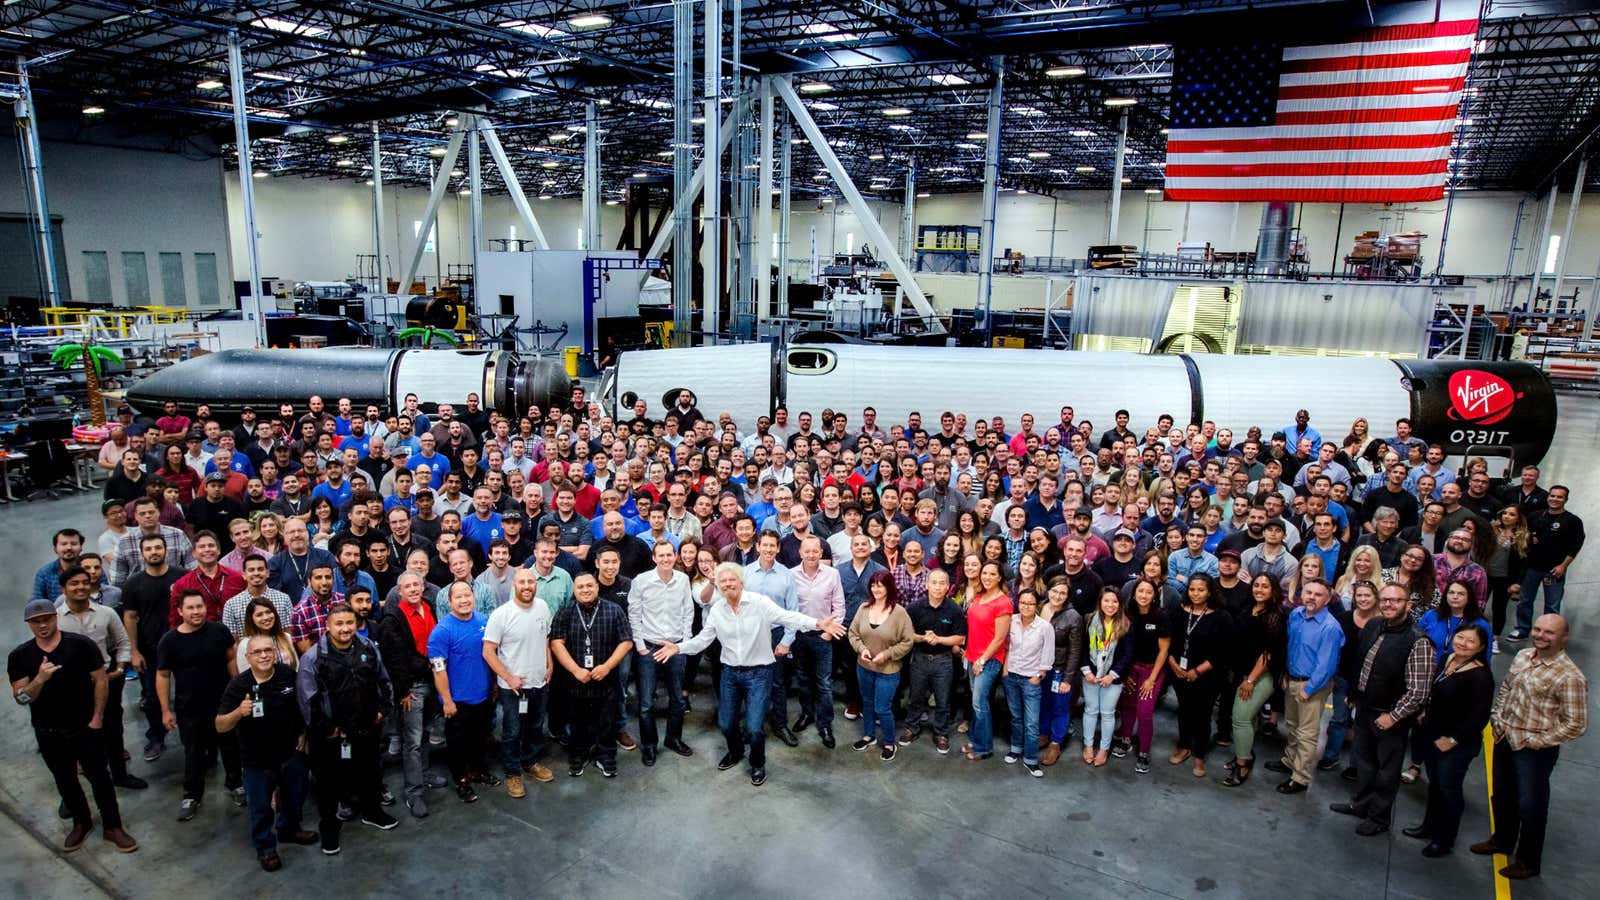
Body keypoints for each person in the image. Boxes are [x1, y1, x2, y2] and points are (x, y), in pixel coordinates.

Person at [650, 563, 846, 787]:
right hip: (730, 674)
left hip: (760, 673)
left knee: (754, 728)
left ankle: (757, 763)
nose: (727, 584)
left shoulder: (758, 603)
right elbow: (703, 640)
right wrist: (678, 648)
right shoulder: (717, 610)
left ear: (741, 581)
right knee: (726, 723)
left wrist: (818, 623)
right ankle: (735, 752)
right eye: (722, 582)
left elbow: (787, 616)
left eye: (731, 580)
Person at [9, 598, 139, 853]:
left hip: (83, 726)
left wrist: (97, 719)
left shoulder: (80, 645)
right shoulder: (20, 656)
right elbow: (22, 697)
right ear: (29, 625)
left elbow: (100, 681)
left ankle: (113, 826)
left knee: (100, 777)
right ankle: (81, 822)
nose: (43, 625)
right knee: (64, 779)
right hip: (48, 731)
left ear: (55, 618)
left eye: (47, 619)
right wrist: (40, 679)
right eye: (36, 621)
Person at [1473, 614, 1589, 879]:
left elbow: (1576, 724)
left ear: (1563, 637)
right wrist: (1497, 718)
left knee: (1531, 805)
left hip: (1534, 750)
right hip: (1505, 737)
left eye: (1549, 632)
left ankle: (1528, 861)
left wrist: (1536, 741)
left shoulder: (1570, 676)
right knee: (1501, 795)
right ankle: (1501, 840)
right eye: (1537, 629)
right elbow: (1507, 688)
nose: (1540, 635)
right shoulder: (1524, 655)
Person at [1331, 584, 1436, 836]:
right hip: (1365, 708)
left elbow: (1418, 691)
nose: (1389, 605)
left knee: (1386, 771)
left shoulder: (1418, 640)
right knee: (1365, 762)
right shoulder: (1373, 625)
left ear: (1408, 605)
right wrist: (1354, 695)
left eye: (1396, 601)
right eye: (1386, 600)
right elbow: (1361, 663)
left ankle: (1379, 818)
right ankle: (1361, 804)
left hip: (1390, 716)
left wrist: (1394, 716)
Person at [297, 603, 397, 855]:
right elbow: (307, 701)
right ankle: (329, 827)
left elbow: (384, 680)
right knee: (329, 783)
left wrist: (382, 710)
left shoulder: (368, 648)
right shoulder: (313, 658)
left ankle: (372, 812)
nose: (345, 628)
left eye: (349, 623)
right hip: (332, 735)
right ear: (328, 626)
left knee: (370, 772)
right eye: (339, 624)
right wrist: (325, 728)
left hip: (366, 727)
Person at [215, 634, 318, 871]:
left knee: (295, 797)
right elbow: (220, 725)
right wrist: (238, 712)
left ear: (275, 653)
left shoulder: (287, 675)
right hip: (257, 760)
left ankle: (289, 830)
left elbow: (302, 707)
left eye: (268, 651)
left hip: (291, 753)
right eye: (257, 652)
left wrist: (303, 734)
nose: (263, 656)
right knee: (260, 807)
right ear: (248, 657)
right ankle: (265, 848)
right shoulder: (238, 686)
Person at [53, 565, 147, 791]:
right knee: (77, 736)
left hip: (107, 681)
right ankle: (76, 791)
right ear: (63, 588)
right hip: (74, 687)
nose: (81, 587)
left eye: (84, 582)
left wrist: (120, 668)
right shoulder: (55, 619)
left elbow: (123, 642)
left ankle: (120, 775)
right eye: (74, 583)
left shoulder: (106, 613)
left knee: (113, 729)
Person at [1405, 624, 1493, 858]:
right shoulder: (1447, 659)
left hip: (1456, 744)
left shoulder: (1480, 675)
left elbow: (1479, 715)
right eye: (1460, 637)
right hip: (1433, 734)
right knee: (1435, 785)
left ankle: (1444, 839)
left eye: (1470, 641)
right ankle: (1429, 826)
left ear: (1481, 647)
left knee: (1449, 790)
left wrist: (1453, 739)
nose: (1463, 643)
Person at [157, 590, 243, 820]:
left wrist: (237, 691)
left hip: (223, 704)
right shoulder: (170, 641)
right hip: (190, 708)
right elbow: (163, 675)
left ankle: (236, 784)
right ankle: (192, 795)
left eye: (199, 607)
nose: (196, 612)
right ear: (180, 611)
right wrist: (165, 710)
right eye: (190, 608)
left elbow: (230, 659)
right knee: (193, 752)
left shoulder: (219, 631)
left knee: (230, 747)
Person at [372, 572, 444, 818]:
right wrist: (401, 691)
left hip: (433, 682)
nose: (413, 589)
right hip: (411, 687)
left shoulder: (430, 607)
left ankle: (423, 774)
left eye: (416, 584)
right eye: (407, 586)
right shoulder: (392, 619)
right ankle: (414, 792)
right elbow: (396, 659)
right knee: (411, 740)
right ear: (399, 592)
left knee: (425, 732)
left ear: (423, 587)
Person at [550, 573, 634, 778]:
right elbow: (556, 643)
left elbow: (626, 641)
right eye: (580, 587)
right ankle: (578, 755)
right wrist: (575, 669)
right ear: (574, 590)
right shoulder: (566, 611)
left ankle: (605, 756)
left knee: (607, 721)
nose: (585, 590)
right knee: (577, 721)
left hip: (606, 678)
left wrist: (607, 666)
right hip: (576, 679)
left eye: (589, 585)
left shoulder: (613, 610)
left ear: (597, 587)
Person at [484, 568, 556, 796]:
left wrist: (550, 662)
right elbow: (488, 651)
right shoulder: (501, 614)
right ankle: (513, 772)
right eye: (522, 582)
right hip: (513, 687)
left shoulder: (543, 607)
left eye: (530, 582)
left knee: (536, 726)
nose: (527, 586)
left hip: (539, 682)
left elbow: (545, 637)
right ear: (514, 585)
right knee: (513, 730)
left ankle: (530, 761)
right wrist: (508, 677)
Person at [1268, 578, 1343, 794]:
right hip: (1292, 678)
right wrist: (1285, 673)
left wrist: (1308, 689)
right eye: (1308, 592)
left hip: (1312, 686)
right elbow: (1290, 646)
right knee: (1292, 724)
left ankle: (1300, 778)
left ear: (1328, 599)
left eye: (1318, 594)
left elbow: (1326, 665)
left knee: (1307, 733)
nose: (1311, 597)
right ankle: (1289, 760)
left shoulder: (1330, 627)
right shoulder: (1296, 615)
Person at [627, 540, 696, 765]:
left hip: (675, 647)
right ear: (654, 558)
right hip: (650, 647)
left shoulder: (683, 580)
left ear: (675, 557)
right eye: (661, 556)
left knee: (677, 699)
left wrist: (683, 644)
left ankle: (673, 739)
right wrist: (641, 647)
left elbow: (688, 612)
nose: (666, 559)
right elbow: (634, 614)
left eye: (669, 555)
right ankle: (649, 745)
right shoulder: (641, 581)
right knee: (646, 703)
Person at [429, 581, 498, 801]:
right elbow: (438, 670)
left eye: (467, 595)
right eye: (458, 597)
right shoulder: (441, 632)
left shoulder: (485, 622)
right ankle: (461, 780)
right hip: (457, 701)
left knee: (481, 738)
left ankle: (479, 771)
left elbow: (492, 656)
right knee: (458, 744)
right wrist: (447, 701)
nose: (464, 600)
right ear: (449, 601)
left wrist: (494, 684)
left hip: (484, 695)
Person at [1166, 574, 1234, 778]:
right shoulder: (1179, 612)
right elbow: (1168, 640)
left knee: (1202, 714)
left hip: (1207, 676)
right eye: (1192, 589)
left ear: (1210, 592)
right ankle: (1184, 746)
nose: (1196, 594)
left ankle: (1199, 755)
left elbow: (1222, 651)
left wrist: (1198, 671)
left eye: (1201, 590)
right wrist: (1173, 664)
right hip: (1179, 671)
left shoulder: (1221, 617)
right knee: (1184, 710)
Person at [847, 572, 915, 761]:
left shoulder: (899, 613)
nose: (876, 589)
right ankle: (868, 735)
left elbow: (907, 642)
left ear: (889, 587)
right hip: (864, 666)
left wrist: (887, 654)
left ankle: (888, 742)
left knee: (882, 707)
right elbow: (853, 633)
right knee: (866, 702)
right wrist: (861, 649)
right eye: (873, 585)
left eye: (881, 585)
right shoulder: (863, 608)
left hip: (888, 671)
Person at [898, 568, 966, 754]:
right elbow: (906, 633)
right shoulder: (914, 608)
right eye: (933, 583)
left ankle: (941, 733)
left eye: (941, 583)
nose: (937, 587)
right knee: (916, 696)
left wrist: (939, 639)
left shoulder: (954, 609)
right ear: (926, 585)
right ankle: (912, 728)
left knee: (943, 700)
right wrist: (921, 638)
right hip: (919, 658)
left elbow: (959, 638)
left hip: (943, 660)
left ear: (948, 587)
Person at [789, 535, 845, 748]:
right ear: (800, 553)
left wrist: (829, 632)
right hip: (800, 635)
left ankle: (825, 724)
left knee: (823, 683)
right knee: (803, 678)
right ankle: (807, 714)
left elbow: (839, 606)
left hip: (824, 637)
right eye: (807, 551)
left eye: (815, 551)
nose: (811, 555)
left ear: (821, 553)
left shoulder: (832, 574)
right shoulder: (791, 575)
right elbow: (789, 607)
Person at [1509, 486, 1583, 642]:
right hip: (1532, 567)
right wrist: (1529, 539)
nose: (1555, 499)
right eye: (1552, 496)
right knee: (1525, 600)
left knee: (1552, 604)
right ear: (1548, 497)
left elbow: (1575, 545)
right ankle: (1522, 629)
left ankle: (1549, 633)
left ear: (1566, 500)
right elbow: (1524, 536)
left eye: (1559, 497)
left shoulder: (1572, 521)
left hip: (1554, 569)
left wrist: (1563, 566)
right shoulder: (1536, 516)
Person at [1113, 578, 1170, 774]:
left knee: (1144, 712)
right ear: (1134, 593)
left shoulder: (1161, 616)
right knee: (1128, 706)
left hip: (1151, 670)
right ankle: (1126, 739)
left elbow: (1164, 651)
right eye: (1140, 591)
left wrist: (1152, 678)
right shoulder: (1128, 613)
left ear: (1154, 595)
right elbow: (1123, 647)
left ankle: (1144, 751)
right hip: (1131, 668)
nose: (1144, 595)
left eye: (1148, 592)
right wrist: (1126, 673)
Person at [961, 561, 1013, 762]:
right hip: (973, 656)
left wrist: (982, 659)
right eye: (985, 573)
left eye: (992, 574)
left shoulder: (1003, 603)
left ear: (1000, 577)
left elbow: (1000, 638)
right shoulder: (980, 596)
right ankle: (975, 739)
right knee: (976, 702)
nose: (987, 577)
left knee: (980, 703)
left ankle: (984, 748)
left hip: (988, 660)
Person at [1002, 589, 1054, 777]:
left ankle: (1031, 759)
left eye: (1030, 603)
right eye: (1023, 602)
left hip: (1031, 679)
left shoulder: (1044, 627)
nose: (1026, 606)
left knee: (1032, 722)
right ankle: (1015, 748)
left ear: (1037, 606)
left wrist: (1038, 676)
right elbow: (1006, 647)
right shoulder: (1012, 621)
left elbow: (1048, 655)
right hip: (1011, 676)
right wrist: (1006, 670)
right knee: (1016, 716)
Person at [1080, 587, 1133, 767]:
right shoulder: (1089, 620)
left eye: (1114, 601)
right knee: (1090, 710)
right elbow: (1083, 648)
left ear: (1120, 604)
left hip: (1113, 678)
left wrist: (1112, 675)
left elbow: (1127, 655)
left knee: (1108, 713)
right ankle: (1088, 746)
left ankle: (1103, 749)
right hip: (1091, 675)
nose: (1110, 605)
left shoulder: (1125, 624)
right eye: (1106, 601)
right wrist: (1087, 671)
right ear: (1100, 602)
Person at [1038, 577, 1083, 765]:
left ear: (1068, 596)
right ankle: (1043, 733)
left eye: (1062, 593)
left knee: (1060, 707)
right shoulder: (1040, 607)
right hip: (1040, 667)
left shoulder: (1074, 617)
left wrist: (1067, 679)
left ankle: (1056, 743)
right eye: (1054, 591)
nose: (1057, 596)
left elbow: (1075, 651)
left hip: (1060, 669)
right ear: (1048, 591)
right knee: (1043, 703)